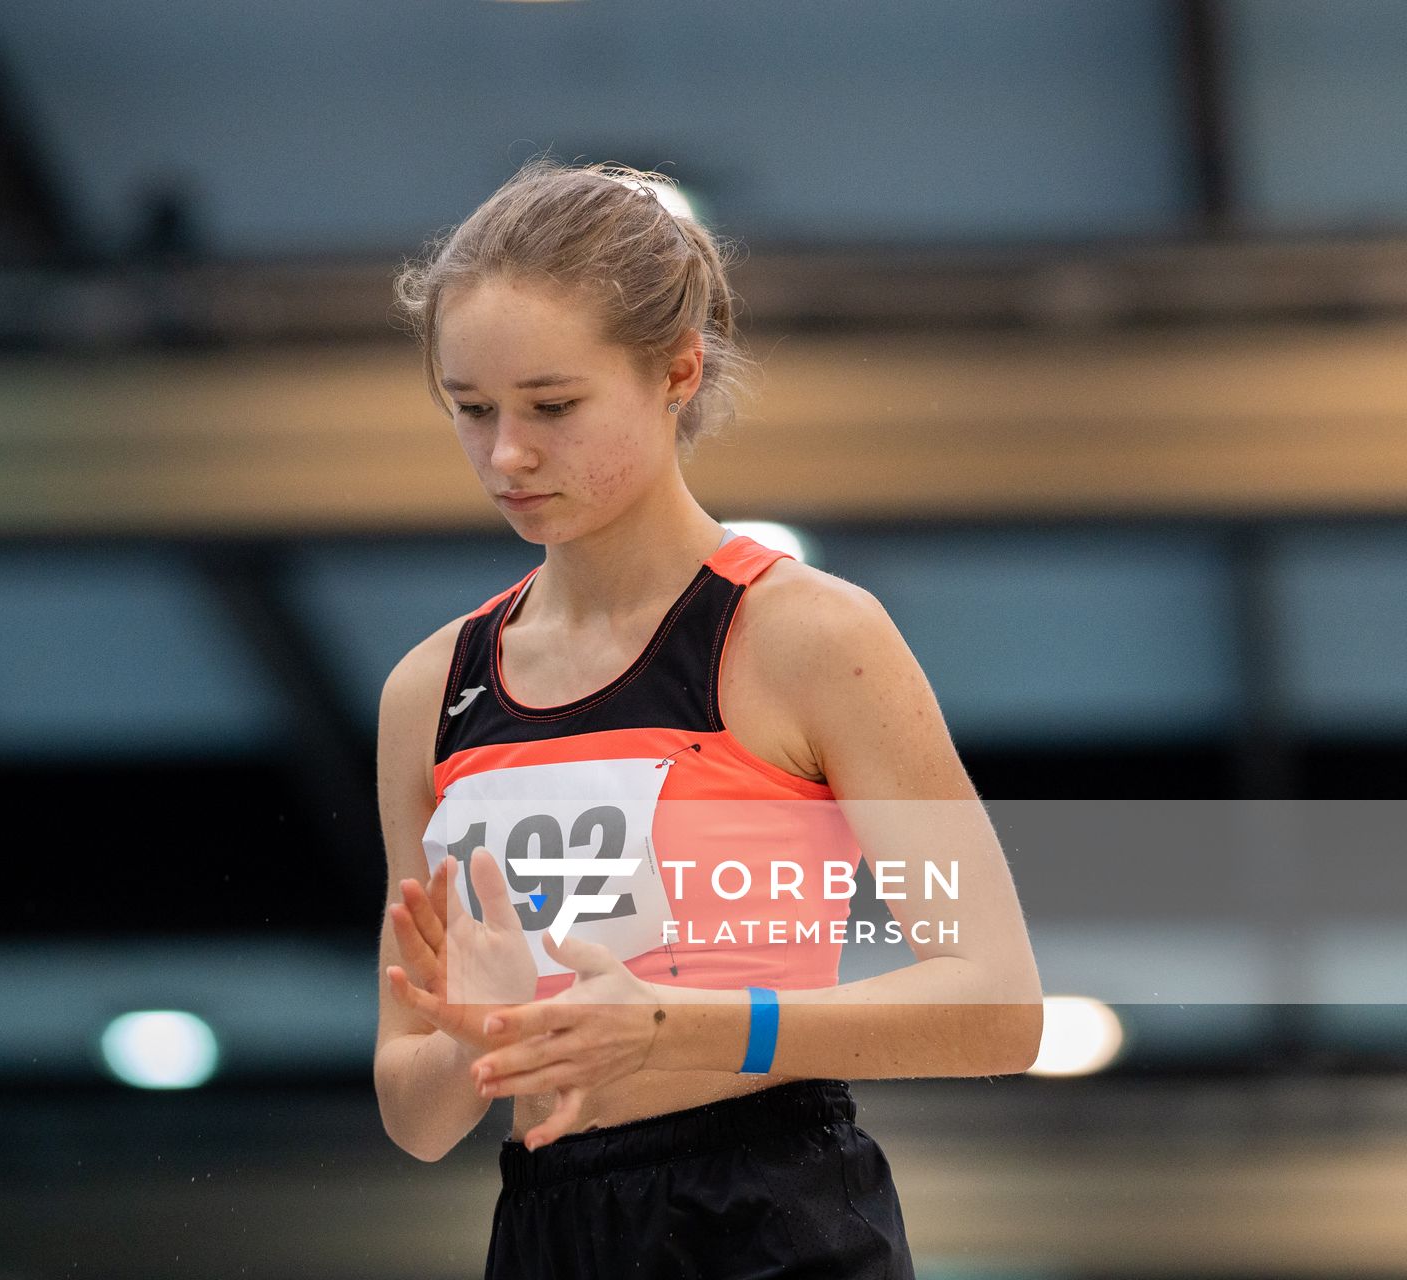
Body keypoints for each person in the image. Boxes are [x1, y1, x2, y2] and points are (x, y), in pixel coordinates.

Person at [372, 156, 1044, 1279]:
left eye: (552, 405)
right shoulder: (429, 692)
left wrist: (695, 1026)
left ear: (678, 371)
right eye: (470, 410)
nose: (507, 455)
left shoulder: (808, 637)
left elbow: (997, 1001)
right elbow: (415, 1112)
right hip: (545, 1228)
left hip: (766, 1209)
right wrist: (471, 1041)